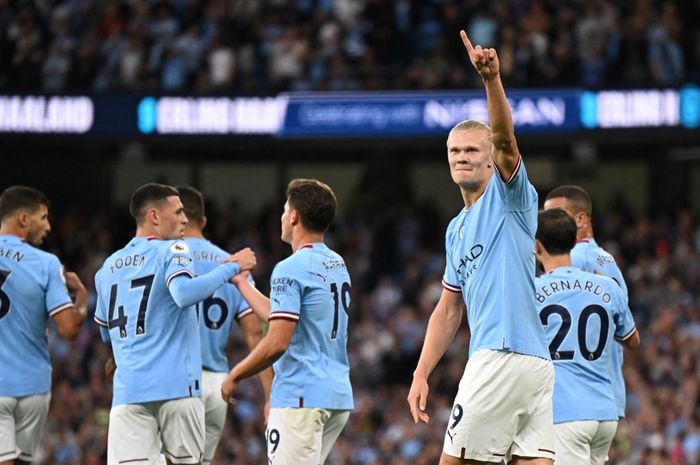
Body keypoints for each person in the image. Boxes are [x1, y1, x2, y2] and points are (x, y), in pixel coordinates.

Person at [407, 31, 554, 465]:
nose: (461, 157)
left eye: (472, 150)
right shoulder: (456, 229)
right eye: (454, 151)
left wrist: (491, 80)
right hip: (535, 368)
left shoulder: (511, 198)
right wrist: (421, 372)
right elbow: (449, 309)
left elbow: (507, 141)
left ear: (491, 159)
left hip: (502, 356)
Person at [93, 183, 256, 465]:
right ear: (154, 216)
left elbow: (106, 334)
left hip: (129, 392)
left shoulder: (108, 266)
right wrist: (232, 267)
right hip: (178, 389)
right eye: (178, 212)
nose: (184, 219)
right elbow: (183, 294)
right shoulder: (174, 249)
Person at [221, 179, 353, 465]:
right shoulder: (336, 263)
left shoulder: (290, 268)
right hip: (336, 395)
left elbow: (278, 340)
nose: (282, 217)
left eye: (284, 210)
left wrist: (236, 374)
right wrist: (243, 284)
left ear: (294, 216)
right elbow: (279, 316)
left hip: (300, 394)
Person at [176, 186, 273, 465]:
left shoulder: (165, 257)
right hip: (217, 385)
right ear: (203, 221)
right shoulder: (231, 263)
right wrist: (270, 395)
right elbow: (255, 335)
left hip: (177, 380)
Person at [534, 208, 640, 465]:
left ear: (536, 247)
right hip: (604, 411)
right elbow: (633, 340)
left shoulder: (531, 291)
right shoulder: (606, 286)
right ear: (573, 242)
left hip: (566, 410)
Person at [0, 186, 87, 465]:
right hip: (33, 385)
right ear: (24, 219)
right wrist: (82, 299)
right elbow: (69, 329)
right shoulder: (47, 264)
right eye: (44, 217)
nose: (49, 226)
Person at [543, 185, 630, 420]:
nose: (549, 223)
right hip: (607, 389)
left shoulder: (576, 258)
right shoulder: (605, 258)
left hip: (577, 394)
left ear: (581, 219)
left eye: (556, 215)